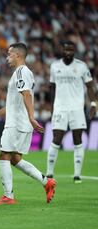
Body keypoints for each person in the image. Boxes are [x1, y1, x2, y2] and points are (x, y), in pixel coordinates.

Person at [0, 43, 56, 205]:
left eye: (9, 54)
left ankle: (8, 196)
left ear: (18, 55)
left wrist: (32, 117)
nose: (7, 57)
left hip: (17, 122)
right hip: (19, 120)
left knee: (3, 154)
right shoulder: (22, 73)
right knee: (15, 158)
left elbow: (26, 95)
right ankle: (47, 182)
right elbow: (15, 101)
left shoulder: (22, 72)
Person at [46, 41, 97, 183]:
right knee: (56, 139)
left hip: (77, 108)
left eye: (71, 50)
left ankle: (77, 175)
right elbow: (52, 88)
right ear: (61, 50)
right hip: (60, 108)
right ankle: (49, 173)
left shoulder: (81, 66)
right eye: (66, 49)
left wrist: (93, 104)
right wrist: (52, 108)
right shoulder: (55, 66)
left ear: (74, 51)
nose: (68, 52)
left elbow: (90, 86)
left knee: (78, 139)